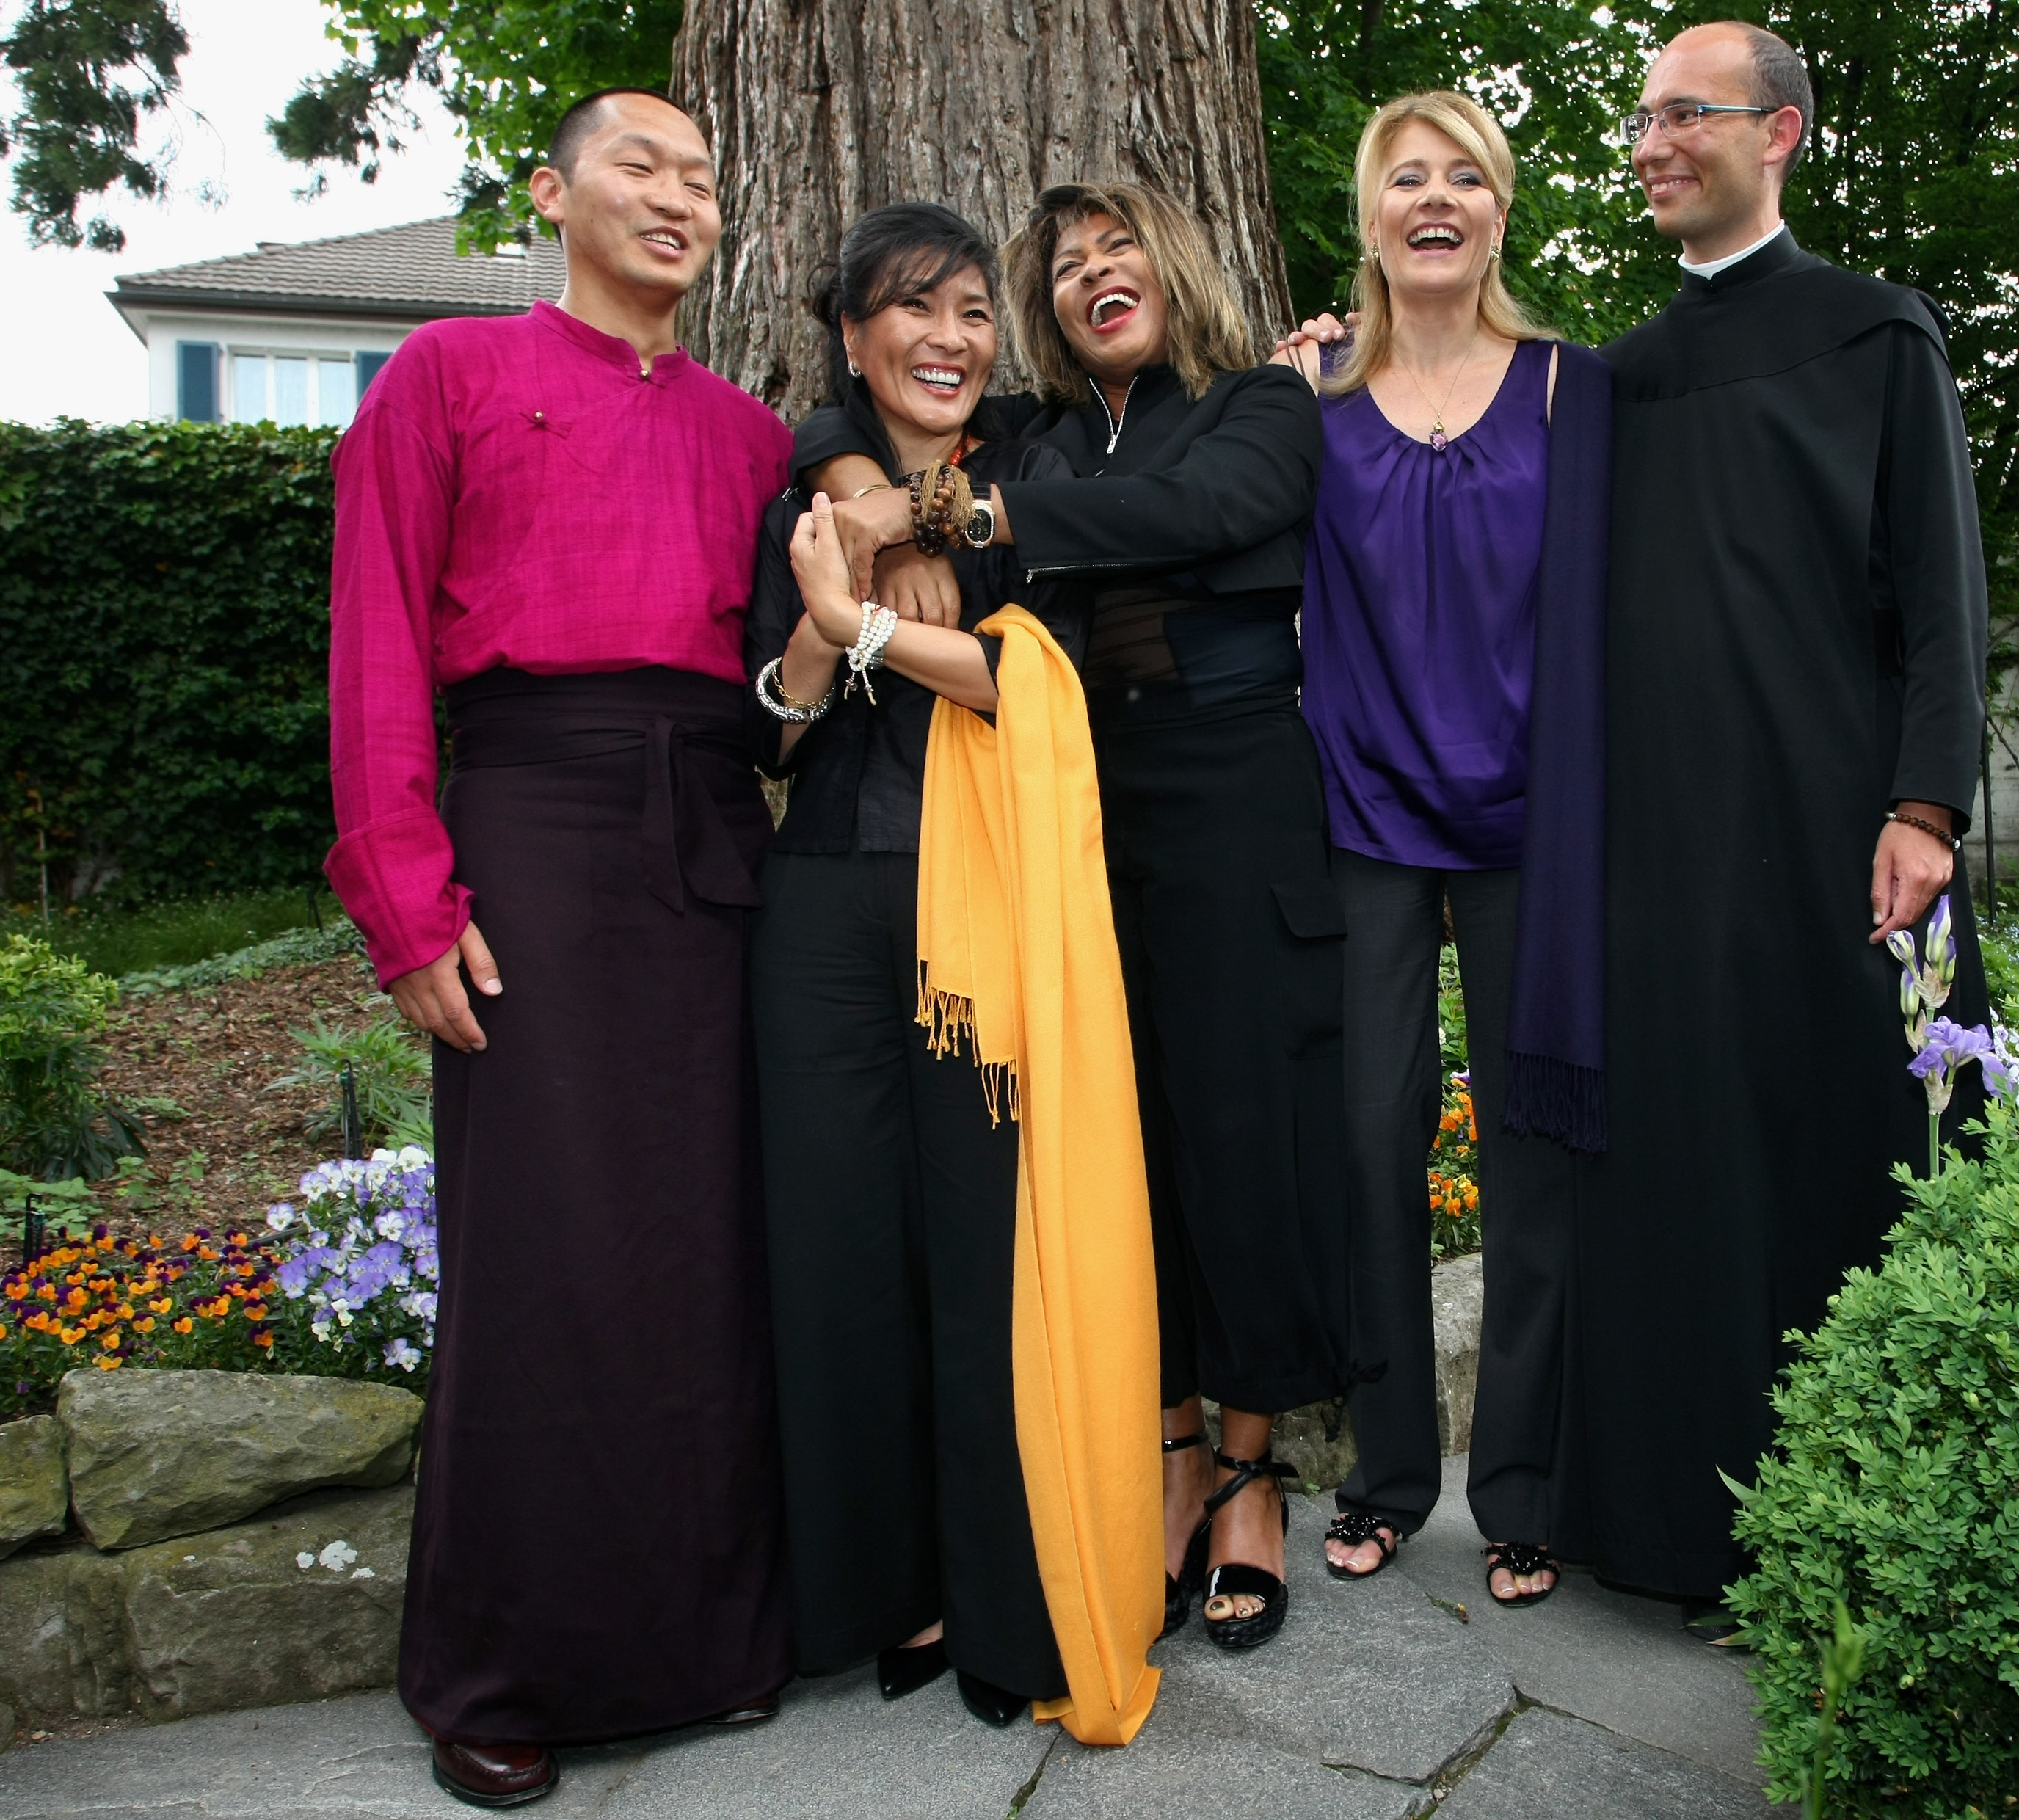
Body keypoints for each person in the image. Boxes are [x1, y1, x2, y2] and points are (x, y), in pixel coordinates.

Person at [322, 88, 796, 1808]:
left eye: (699, 178)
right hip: (525, 824)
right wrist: (405, 894)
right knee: (542, 1248)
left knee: (708, 1244)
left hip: (718, 830)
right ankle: (502, 1662)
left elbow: (787, 682)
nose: (676, 198)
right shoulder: (442, 377)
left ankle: (710, 1640)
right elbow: (376, 636)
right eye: (640, 166)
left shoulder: (754, 435)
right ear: (555, 189)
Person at [796, 181, 1345, 1653]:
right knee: (1125, 1143)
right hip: (1080, 801)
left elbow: (1205, 511)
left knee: (1238, 1143)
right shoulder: (1036, 430)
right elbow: (835, 434)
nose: (1095, 277)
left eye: (1119, 254)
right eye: (1067, 267)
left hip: (1232, 789)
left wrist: (969, 511)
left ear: (1170, 267)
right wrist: (876, 476)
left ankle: (1247, 1477)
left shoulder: (1258, 406)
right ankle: (1166, 1454)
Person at [1574, 22, 1990, 1602]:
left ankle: (1872, 1530)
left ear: (1781, 133)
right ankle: (1682, 1533)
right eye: (1642, 117)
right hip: (1660, 849)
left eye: (1687, 111)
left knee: (1849, 1158)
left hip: (1842, 830)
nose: (1653, 140)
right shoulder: (1612, 382)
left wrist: (1925, 804)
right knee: (1686, 1175)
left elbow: (1941, 602)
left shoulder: (1874, 335)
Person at [746, 203, 1107, 1733]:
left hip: (990, 900)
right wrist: (831, 607)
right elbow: (771, 725)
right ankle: (870, 1582)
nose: (947, 337)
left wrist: (879, 582)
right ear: (852, 335)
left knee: (983, 1239)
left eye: (969, 308)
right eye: (908, 309)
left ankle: (995, 1587)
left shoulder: (1031, 464)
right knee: (835, 1243)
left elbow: (1042, 678)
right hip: (827, 897)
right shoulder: (809, 477)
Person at [1270, 92, 1609, 1611]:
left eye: (1461, 174)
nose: (1433, 196)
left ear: (1497, 211)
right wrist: (1288, 380)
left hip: (1533, 822)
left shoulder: (1565, 391)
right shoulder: (1309, 407)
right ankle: (1390, 1473)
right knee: (1365, 1139)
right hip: (1360, 816)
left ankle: (1527, 1487)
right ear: (1369, 214)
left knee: (1534, 1155)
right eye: (1405, 175)